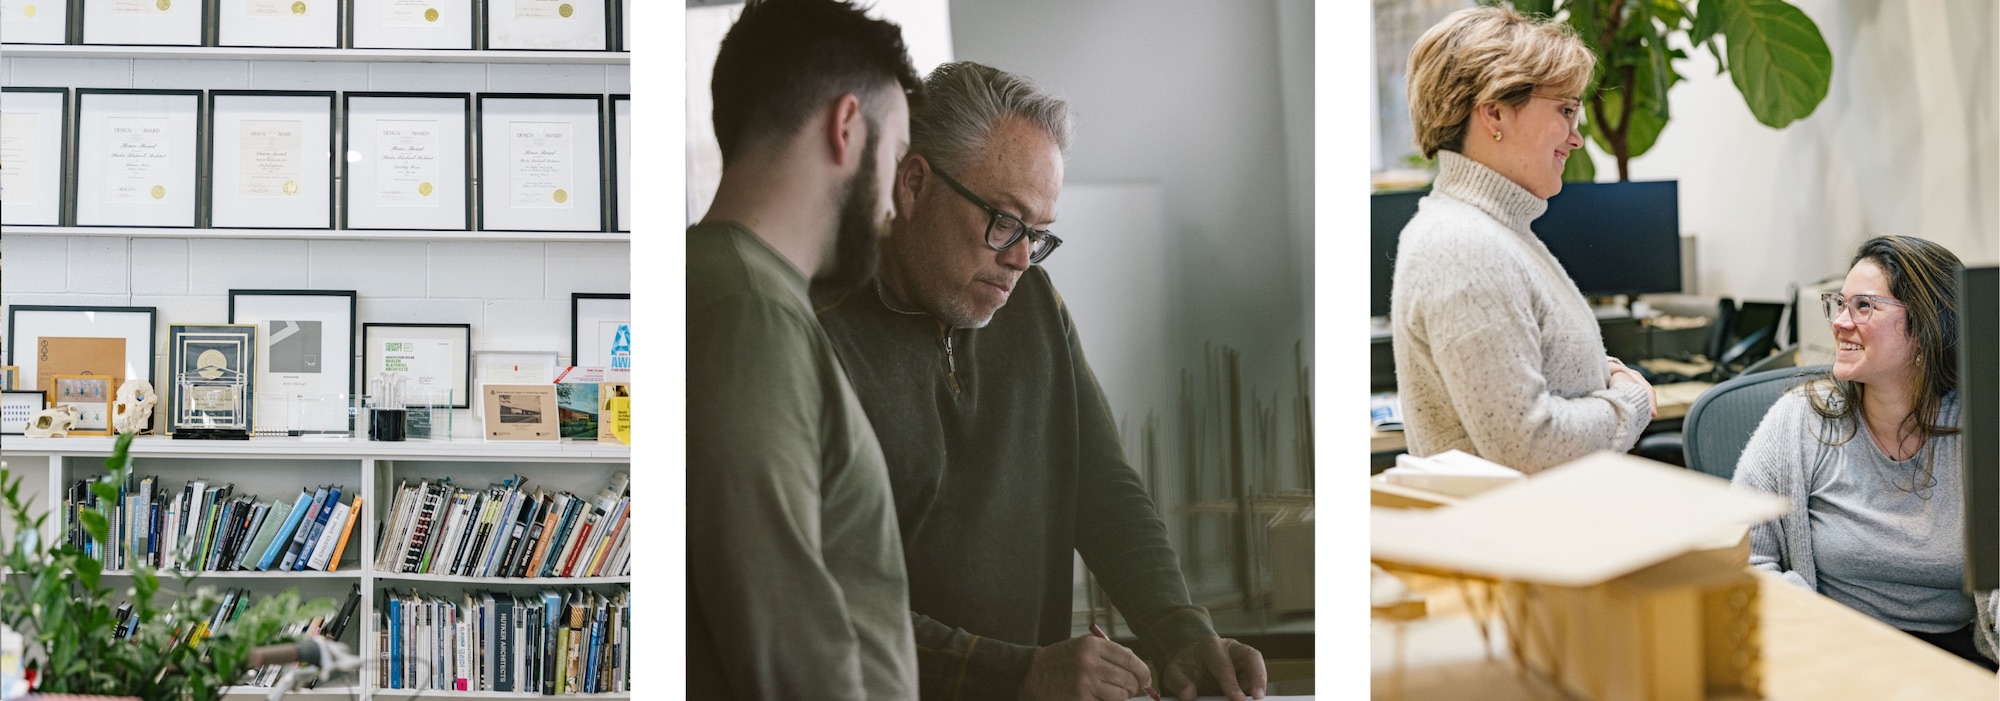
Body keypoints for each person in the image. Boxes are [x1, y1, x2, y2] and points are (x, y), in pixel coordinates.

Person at [815, 61, 1267, 701]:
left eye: (1039, 235)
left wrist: (1180, 631)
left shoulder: (1033, 305)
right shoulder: (814, 334)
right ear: (913, 184)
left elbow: (1102, 489)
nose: (1021, 258)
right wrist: (1017, 674)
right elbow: (822, 599)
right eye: (1003, 221)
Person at [685, 0, 923, 697]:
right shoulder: (750, 311)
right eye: (899, 158)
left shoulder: (734, 290)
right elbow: (783, 636)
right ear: (847, 127)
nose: (895, 206)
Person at [1390, 5, 1656, 473]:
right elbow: (1531, 446)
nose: (1576, 138)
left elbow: (1534, 358)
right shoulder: (1463, 247)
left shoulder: (1499, 231)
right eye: (1566, 111)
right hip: (1513, 540)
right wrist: (1629, 403)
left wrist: (1605, 371)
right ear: (1494, 112)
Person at [1734, 236, 1997, 670]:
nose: (1839, 321)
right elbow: (1744, 557)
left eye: (1863, 307)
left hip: (1957, 665)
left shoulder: (1983, 426)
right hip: (1833, 652)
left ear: (1927, 326)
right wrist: (1821, 638)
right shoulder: (1801, 419)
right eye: (1839, 303)